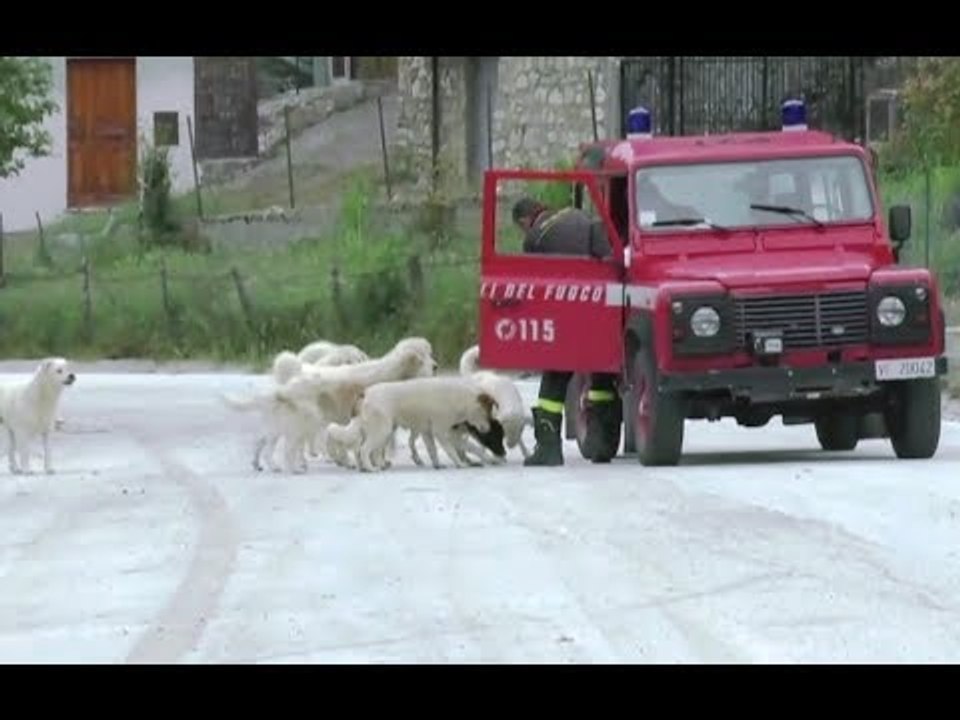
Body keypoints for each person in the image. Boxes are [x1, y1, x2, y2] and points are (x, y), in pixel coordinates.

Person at [511, 197, 621, 467]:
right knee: (601, 374)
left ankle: (548, 449)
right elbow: (606, 253)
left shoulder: (534, 238)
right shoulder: (576, 214)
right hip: (599, 307)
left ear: (525, 221)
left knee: (555, 379)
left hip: (567, 313)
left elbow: (534, 283)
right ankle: (601, 444)